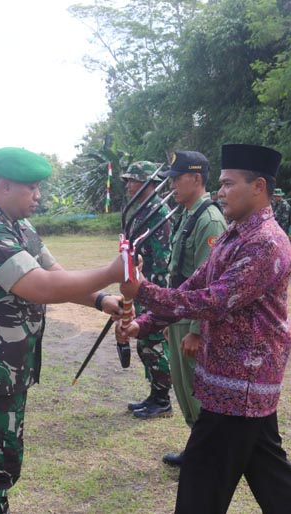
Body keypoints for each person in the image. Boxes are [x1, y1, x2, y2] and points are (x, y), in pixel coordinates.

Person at [117, 143, 291, 514]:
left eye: (227, 184)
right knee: (271, 475)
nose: (219, 192)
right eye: (220, 184)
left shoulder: (265, 243)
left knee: (200, 485)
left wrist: (142, 291)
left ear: (258, 187)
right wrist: (144, 323)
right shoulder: (235, 233)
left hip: (240, 386)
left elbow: (214, 301)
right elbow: (193, 285)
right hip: (235, 383)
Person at [0, 147, 123, 513]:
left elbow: (55, 273)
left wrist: (101, 299)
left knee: (6, 461)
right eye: (33, 188)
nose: (39, 196)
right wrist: (110, 272)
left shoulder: (20, 227)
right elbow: (40, 286)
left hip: (10, 367)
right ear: (5, 186)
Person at [158, 151, 227, 467]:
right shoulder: (188, 213)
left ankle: (208, 455)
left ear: (196, 179)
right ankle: (199, 447)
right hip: (180, 315)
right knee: (184, 387)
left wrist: (197, 330)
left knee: (197, 389)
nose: (172, 184)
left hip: (193, 320)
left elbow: (211, 282)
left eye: (177, 178)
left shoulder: (209, 219)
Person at [120, 161, 172, 419]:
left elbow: (163, 259)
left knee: (152, 344)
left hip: (152, 287)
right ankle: (155, 393)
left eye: (133, 180)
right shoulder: (141, 210)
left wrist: (155, 295)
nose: (128, 185)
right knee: (143, 343)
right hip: (141, 286)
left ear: (148, 183)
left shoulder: (158, 211)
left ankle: (163, 400)